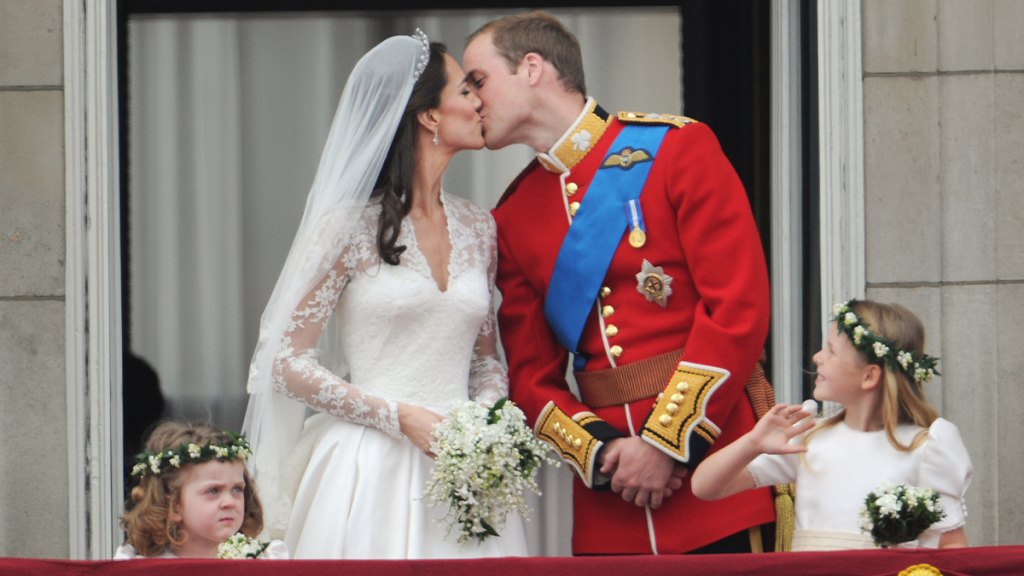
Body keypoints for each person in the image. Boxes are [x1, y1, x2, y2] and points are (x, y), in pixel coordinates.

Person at [462, 11, 775, 555]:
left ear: (531, 68)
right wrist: (603, 453)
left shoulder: (678, 149)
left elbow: (737, 310)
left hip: (714, 472)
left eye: (478, 80)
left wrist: (665, 443)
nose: (470, 99)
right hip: (612, 502)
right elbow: (532, 378)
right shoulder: (512, 216)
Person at [241, 30, 528, 559]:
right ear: (429, 116)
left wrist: (484, 423)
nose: (479, 102)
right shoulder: (347, 227)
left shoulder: (479, 227)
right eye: (466, 91)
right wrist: (399, 417)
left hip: (465, 469)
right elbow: (284, 360)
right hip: (370, 463)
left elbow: (486, 360)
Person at [691, 299, 974, 550]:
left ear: (869, 376)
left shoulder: (925, 446)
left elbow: (951, 545)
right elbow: (705, 487)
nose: (817, 357)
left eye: (831, 350)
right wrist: (752, 443)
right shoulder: (810, 439)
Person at [115, 420, 288, 559]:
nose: (229, 502)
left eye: (237, 489)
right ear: (173, 505)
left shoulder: (265, 560)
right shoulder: (140, 567)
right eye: (213, 491)